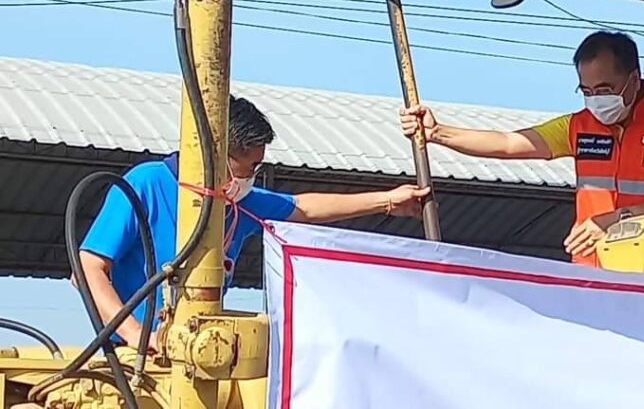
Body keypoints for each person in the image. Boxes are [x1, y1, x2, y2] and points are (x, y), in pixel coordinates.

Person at [75, 95, 430, 351]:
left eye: (256, 169)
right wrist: (136, 335)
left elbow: (302, 208)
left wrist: (387, 201)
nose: (250, 177)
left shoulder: (236, 202)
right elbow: (88, 268)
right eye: (247, 168)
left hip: (198, 353)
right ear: (215, 153)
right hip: (134, 359)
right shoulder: (146, 183)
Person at [399, 31, 644, 266]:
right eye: (586, 91)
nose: (596, 100)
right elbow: (508, 144)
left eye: (604, 90)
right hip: (592, 273)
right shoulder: (578, 126)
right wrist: (438, 132)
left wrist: (615, 219)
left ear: (634, 79)